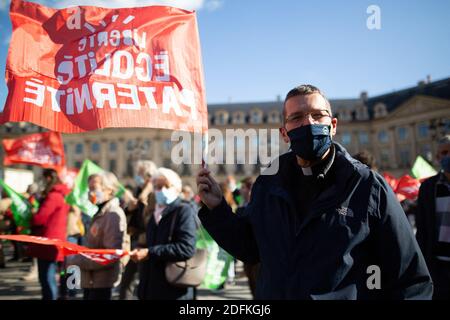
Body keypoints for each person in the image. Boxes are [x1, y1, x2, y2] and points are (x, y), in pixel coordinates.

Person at [196, 84, 433, 300]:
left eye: (317, 115)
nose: (308, 123)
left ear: (333, 126)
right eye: (296, 118)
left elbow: (411, 280)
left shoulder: (367, 186)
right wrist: (218, 209)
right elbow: (250, 248)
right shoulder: (268, 184)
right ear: (284, 133)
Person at [131, 168, 197, 300]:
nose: (160, 191)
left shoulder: (184, 211)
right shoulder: (154, 214)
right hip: (150, 287)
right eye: (156, 187)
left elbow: (186, 248)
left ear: (177, 189)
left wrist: (149, 252)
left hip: (173, 288)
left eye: (165, 186)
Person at [66, 172, 129, 300]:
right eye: (89, 189)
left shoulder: (112, 214)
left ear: (109, 190)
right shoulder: (101, 212)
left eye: (94, 188)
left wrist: (77, 260)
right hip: (92, 279)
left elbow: (110, 253)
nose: (90, 193)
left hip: (101, 280)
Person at [416, 134, 450, 299]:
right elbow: (422, 228)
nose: (448, 156)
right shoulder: (428, 188)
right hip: (438, 265)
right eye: (444, 153)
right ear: (438, 157)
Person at [27, 169, 70, 300]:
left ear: (49, 179)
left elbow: (41, 217)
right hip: (55, 238)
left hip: (48, 240)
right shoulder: (62, 195)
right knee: (50, 275)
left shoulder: (54, 196)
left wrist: (32, 215)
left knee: (46, 277)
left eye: (44, 178)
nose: (43, 182)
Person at [119, 160, 157, 300]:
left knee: (144, 282)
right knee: (127, 281)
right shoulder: (137, 191)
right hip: (136, 239)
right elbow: (129, 217)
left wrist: (142, 201)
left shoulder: (155, 192)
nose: (137, 177)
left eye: (140, 174)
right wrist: (130, 208)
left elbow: (152, 218)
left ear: (149, 175)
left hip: (148, 242)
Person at [236, 176, 259, 299]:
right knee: (252, 285)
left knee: (258, 288)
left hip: (258, 257)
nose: (240, 190)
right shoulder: (244, 204)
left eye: (243, 188)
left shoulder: (257, 204)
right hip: (248, 257)